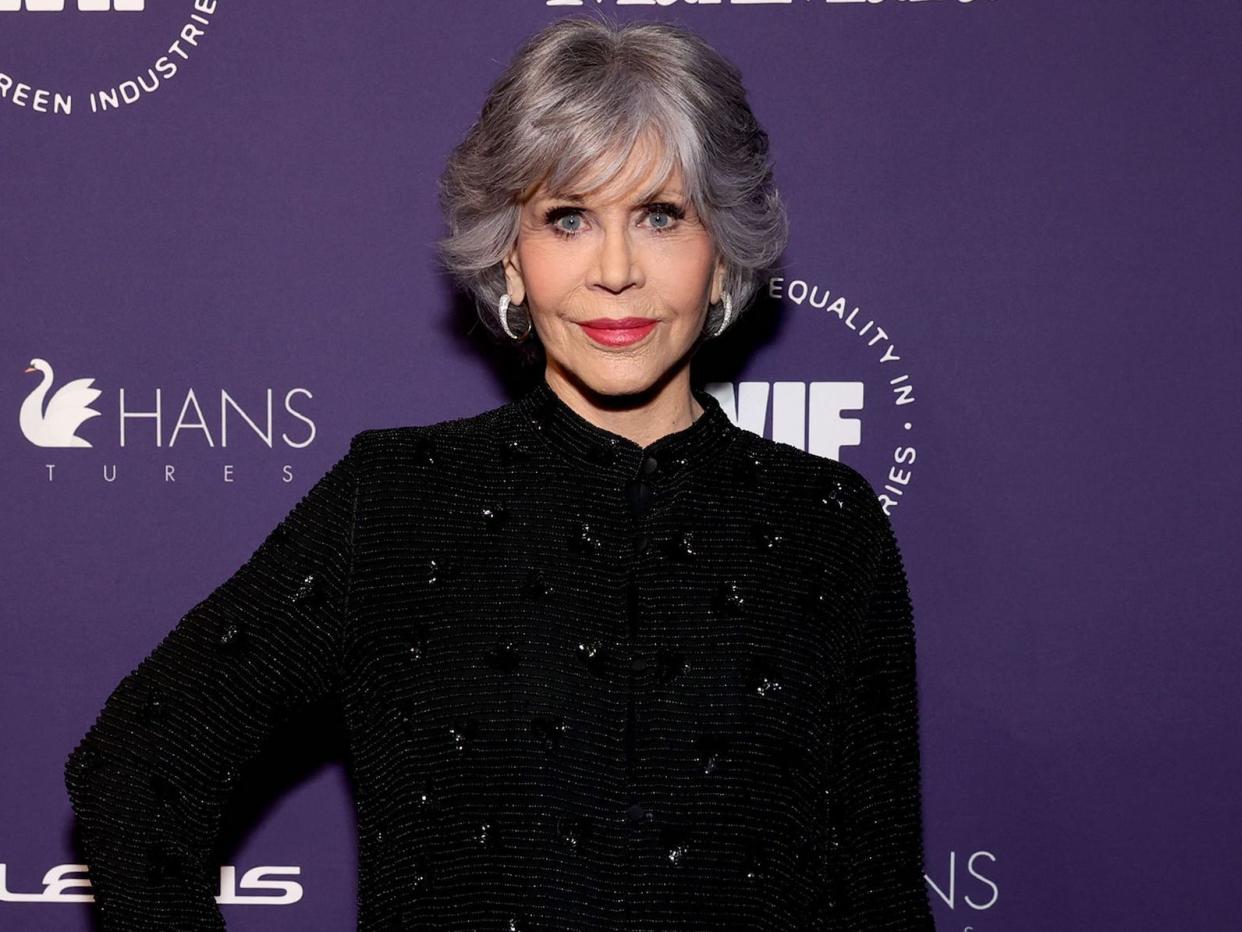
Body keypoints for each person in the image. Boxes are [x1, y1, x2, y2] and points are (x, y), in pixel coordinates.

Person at [64, 15, 937, 931]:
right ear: (511, 258)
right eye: (568, 218)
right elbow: (136, 766)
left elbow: (877, 890)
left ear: (722, 253)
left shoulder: (825, 525)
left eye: (660, 215)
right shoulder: (397, 502)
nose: (614, 271)